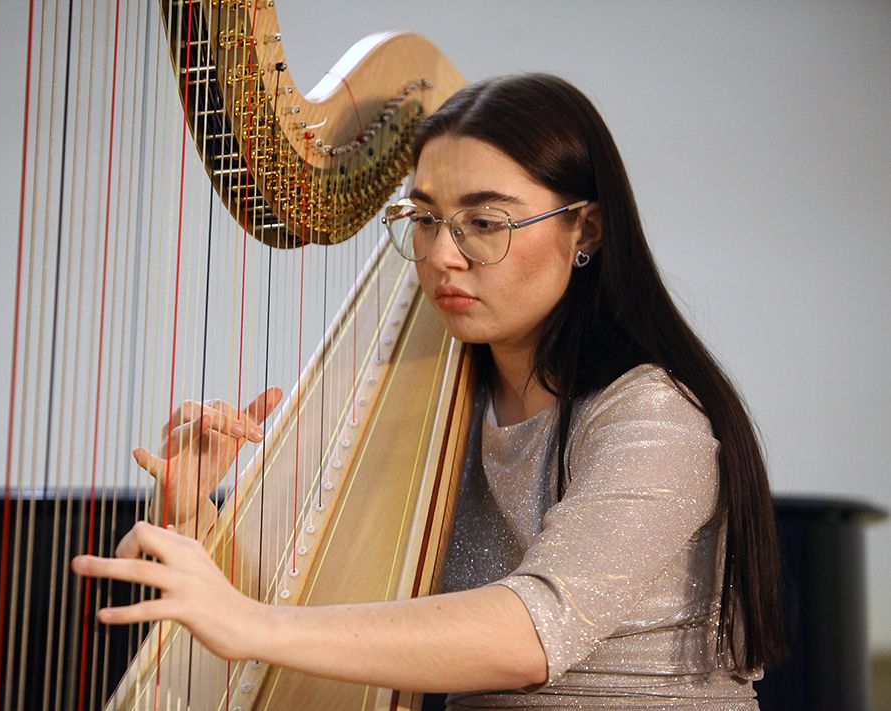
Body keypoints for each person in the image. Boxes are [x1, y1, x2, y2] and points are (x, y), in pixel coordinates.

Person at [72, 73, 785, 709]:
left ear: (585, 229)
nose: (442, 254)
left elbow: (530, 634)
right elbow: (313, 615)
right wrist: (196, 515)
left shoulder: (653, 416)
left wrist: (252, 624)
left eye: (485, 223)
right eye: (423, 218)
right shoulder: (439, 400)